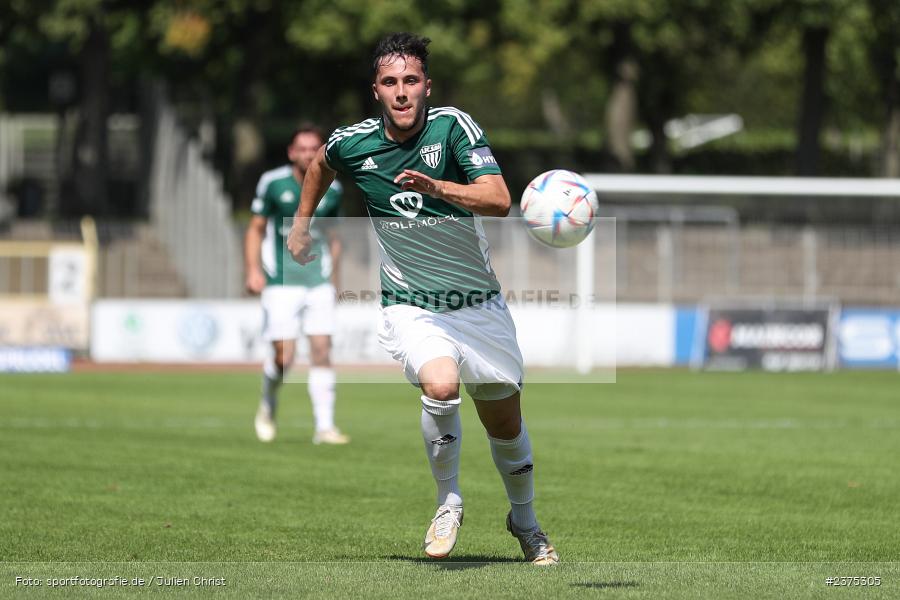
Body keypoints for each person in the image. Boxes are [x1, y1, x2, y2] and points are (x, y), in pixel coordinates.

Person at [287, 33, 558, 565]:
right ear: (376, 91)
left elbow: (499, 199)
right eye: (391, 82)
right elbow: (321, 163)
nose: (402, 92)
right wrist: (301, 224)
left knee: (505, 425)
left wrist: (439, 188)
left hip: (477, 303)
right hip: (410, 302)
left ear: (427, 86)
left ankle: (524, 521)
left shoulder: (453, 127)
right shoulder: (355, 142)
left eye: (411, 80)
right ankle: (448, 502)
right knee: (440, 383)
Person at [245, 125, 350, 446]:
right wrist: (253, 270)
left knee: (321, 350)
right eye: (302, 148)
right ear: (292, 152)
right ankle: (268, 401)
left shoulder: (333, 189)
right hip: (281, 282)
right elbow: (255, 229)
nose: (307, 154)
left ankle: (325, 426)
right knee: (283, 358)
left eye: (313, 148)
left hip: (317, 282)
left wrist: (335, 283)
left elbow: (333, 240)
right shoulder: (273, 183)